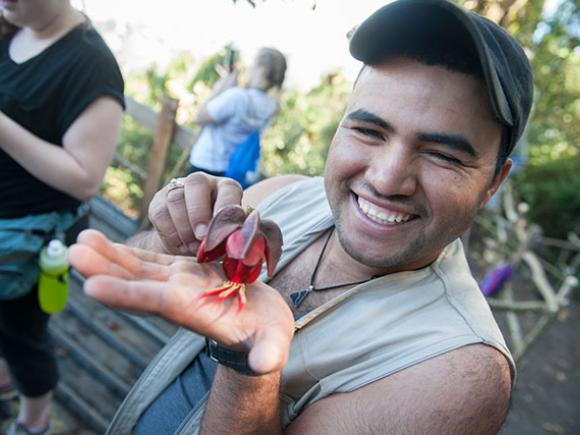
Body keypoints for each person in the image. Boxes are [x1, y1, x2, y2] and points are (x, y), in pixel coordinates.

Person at [69, 0, 534, 433]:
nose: (388, 179)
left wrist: (251, 362)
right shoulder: (282, 194)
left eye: (444, 156)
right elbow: (128, 260)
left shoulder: (458, 374)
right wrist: (173, 233)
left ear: (493, 182)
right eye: (369, 130)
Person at [0, 0, 124, 433]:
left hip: (30, 239)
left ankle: (33, 420)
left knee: (23, 335)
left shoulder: (89, 63)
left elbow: (85, 178)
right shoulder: (10, 28)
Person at [188, 46, 287, 182]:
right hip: (230, 172)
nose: (249, 69)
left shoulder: (237, 97)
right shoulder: (271, 106)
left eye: (253, 64)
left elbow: (199, 117)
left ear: (262, 70)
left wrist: (222, 87)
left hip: (204, 164)